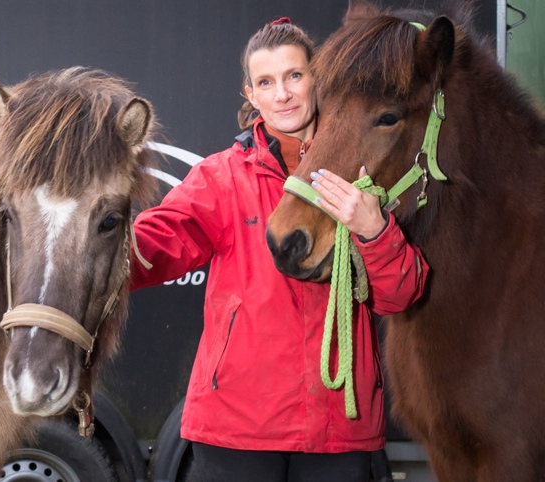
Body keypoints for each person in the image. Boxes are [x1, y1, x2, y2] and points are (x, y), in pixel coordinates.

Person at [129, 17, 429, 482]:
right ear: (250, 95)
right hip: (238, 430)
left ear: (318, 80)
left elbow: (400, 296)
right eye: (266, 82)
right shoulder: (221, 178)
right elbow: (154, 246)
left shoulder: (366, 169)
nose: (283, 94)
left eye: (294, 76)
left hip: (338, 430)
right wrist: (82, 239)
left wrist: (374, 230)